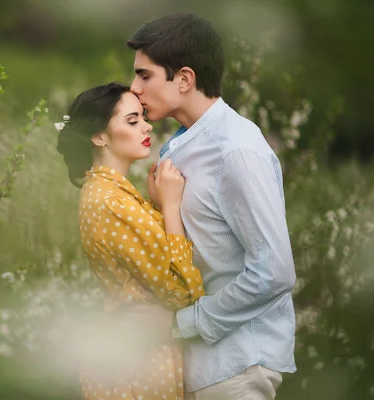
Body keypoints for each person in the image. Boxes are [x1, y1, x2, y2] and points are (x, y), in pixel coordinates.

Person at [126, 13, 297, 399]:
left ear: (184, 78)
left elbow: (275, 272)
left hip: (237, 369)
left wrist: (180, 324)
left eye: (145, 75)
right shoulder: (184, 144)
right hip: (203, 368)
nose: (134, 88)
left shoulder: (236, 150)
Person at [56, 82, 204, 400]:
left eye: (143, 118)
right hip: (139, 365)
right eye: (132, 120)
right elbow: (181, 293)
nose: (147, 126)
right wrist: (172, 207)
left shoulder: (111, 193)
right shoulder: (111, 201)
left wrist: (157, 208)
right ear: (98, 136)